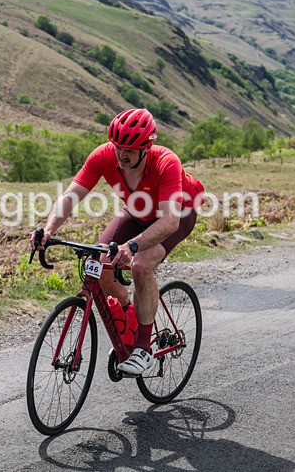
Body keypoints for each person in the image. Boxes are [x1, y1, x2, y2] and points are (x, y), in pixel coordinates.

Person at [30, 108, 204, 376]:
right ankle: (129, 314)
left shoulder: (166, 162)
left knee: (142, 264)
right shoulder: (104, 156)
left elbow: (170, 222)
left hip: (179, 214)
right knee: (99, 263)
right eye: (118, 147)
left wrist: (132, 247)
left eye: (130, 150)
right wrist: (49, 229)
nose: (122, 154)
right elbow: (70, 195)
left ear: (146, 148)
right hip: (138, 210)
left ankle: (144, 348)